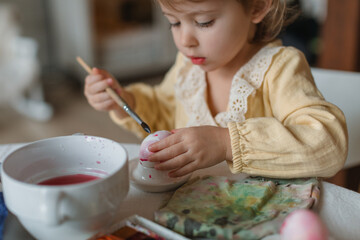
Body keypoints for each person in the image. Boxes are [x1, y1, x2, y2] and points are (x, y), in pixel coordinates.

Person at [84, 0, 347, 179]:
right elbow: (163, 113)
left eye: (204, 22)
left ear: (256, 6)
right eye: (173, 23)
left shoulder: (278, 68)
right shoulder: (187, 66)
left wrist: (225, 143)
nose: (185, 41)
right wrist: (124, 101)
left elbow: (328, 143)